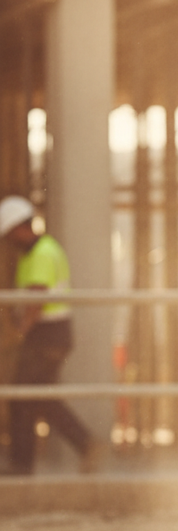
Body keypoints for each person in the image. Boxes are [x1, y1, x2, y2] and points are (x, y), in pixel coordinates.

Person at [0, 196, 100, 476]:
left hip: (47, 334)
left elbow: (37, 299)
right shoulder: (37, 251)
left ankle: (23, 463)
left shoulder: (42, 252)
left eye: (10, 234)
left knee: (24, 395)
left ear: (21, 227)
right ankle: (85, 444)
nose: (9, 240)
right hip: (53, 335)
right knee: (40, 396)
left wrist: (19, 333)